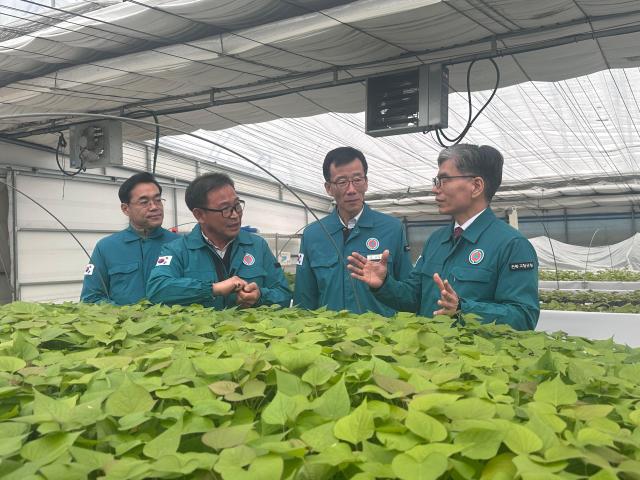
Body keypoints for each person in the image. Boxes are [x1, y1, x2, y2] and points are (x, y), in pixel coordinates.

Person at [348, 144, 539, 330]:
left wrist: (463, 309)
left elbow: (523, 316)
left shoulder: (511, 245)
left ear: (476, 186)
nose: (435, 189)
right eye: (436, 181)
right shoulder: (437, 240)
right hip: (429, 358)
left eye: (444, 180)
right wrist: (384, 284)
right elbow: (414, 297)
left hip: (472, 360)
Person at [294, 146, 412, 316]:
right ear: (328, 188)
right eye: (342, 182)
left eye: (357, 180)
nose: (351, 190)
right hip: (329, 337)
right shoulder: (313, 235)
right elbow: (304, 299)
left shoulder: (392, 229)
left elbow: (409, 292)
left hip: (382, 337)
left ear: (366, 182)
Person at [146, 173, 291, 309]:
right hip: (200, 335)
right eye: (225, 209)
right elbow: (157, 289)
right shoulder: (177, 250)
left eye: (237, 206)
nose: (235, 215)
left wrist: (260, 296)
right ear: (200, 214)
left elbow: (284, 294)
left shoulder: (257, 246)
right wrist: (213, 289)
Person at [80, 172, 179, 305]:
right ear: (126, 209)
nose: (154, 207)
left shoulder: (179, 244)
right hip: (124, 324)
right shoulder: (106, 247)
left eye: (158, 200)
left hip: (173, 324)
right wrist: (127, 315)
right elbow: (90, 299)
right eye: (144, 202)